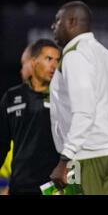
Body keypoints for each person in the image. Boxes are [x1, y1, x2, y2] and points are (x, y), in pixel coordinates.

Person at [49, 1, 108, 195]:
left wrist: (65, 159)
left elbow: (84, 112)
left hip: (91, 151)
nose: (54, 26)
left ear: (72, 22)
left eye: (58, 21)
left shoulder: (75, 56)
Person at [0, 39, 61, 194]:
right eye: (49, 59)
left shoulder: (65, 98)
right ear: (34, 62)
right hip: (20, 186)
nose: (54, 66)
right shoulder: (12, 97)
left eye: (57, 60)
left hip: (54, 188)